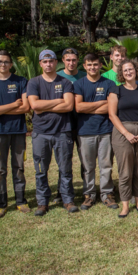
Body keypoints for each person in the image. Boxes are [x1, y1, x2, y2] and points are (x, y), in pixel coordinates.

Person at [27, 50, 78, 216]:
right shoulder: (34, 83)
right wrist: (57, 101)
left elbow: (69, 106)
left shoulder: (65, 83)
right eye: (45, 61)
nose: (48, 64)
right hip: (41, 133)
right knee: (41, 169)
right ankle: (42, 202)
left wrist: (44, 105)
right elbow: (34, 106)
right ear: (40, 63)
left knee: (65, 169)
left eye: (51, 61)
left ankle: (67, 199)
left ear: (56, 63)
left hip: (62, 132)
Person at [0, 50, 30, 218]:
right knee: (1, 169)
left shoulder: (21, 81)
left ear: (11, 64)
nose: (3, 64)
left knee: (18, 167)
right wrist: (12, 105)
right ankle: (1, 204)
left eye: (6, 62)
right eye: (0, 62)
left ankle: (21, 201)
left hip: (18, 131)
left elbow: (25, 107)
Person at [108, 59, 138, 218]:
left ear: (136, 71)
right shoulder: (116, 91)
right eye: (125, 70)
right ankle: (125, 204)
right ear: (121, 73)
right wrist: (126, 133)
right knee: (125, 171)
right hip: (122, 132)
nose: (128, 72)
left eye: (131, 69)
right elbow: (112, 115)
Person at [74, 53, 118, 211]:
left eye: (95, 64)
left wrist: (89, 107)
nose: (92, 67)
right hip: (85, 131)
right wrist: (100, 103)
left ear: (100, 66)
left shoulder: (109, 83)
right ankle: (89, 194)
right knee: (88, 166)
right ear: (84, 66)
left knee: (106, 165)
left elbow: (111, 107)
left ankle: (107, 194)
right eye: (89, 65)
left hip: (106, 130)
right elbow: (78, 107)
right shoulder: (79, 84)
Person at [54, 48, 86, 204]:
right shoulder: (58, 76)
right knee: (64, 160)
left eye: (74, 60)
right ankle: (62, 192)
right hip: (63, 123)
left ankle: (87, 190)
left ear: (78, 61)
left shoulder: (84, 76)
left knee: (85, 160)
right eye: (68, 60)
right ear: (63, 61)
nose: (71, 63)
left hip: (82, 123)